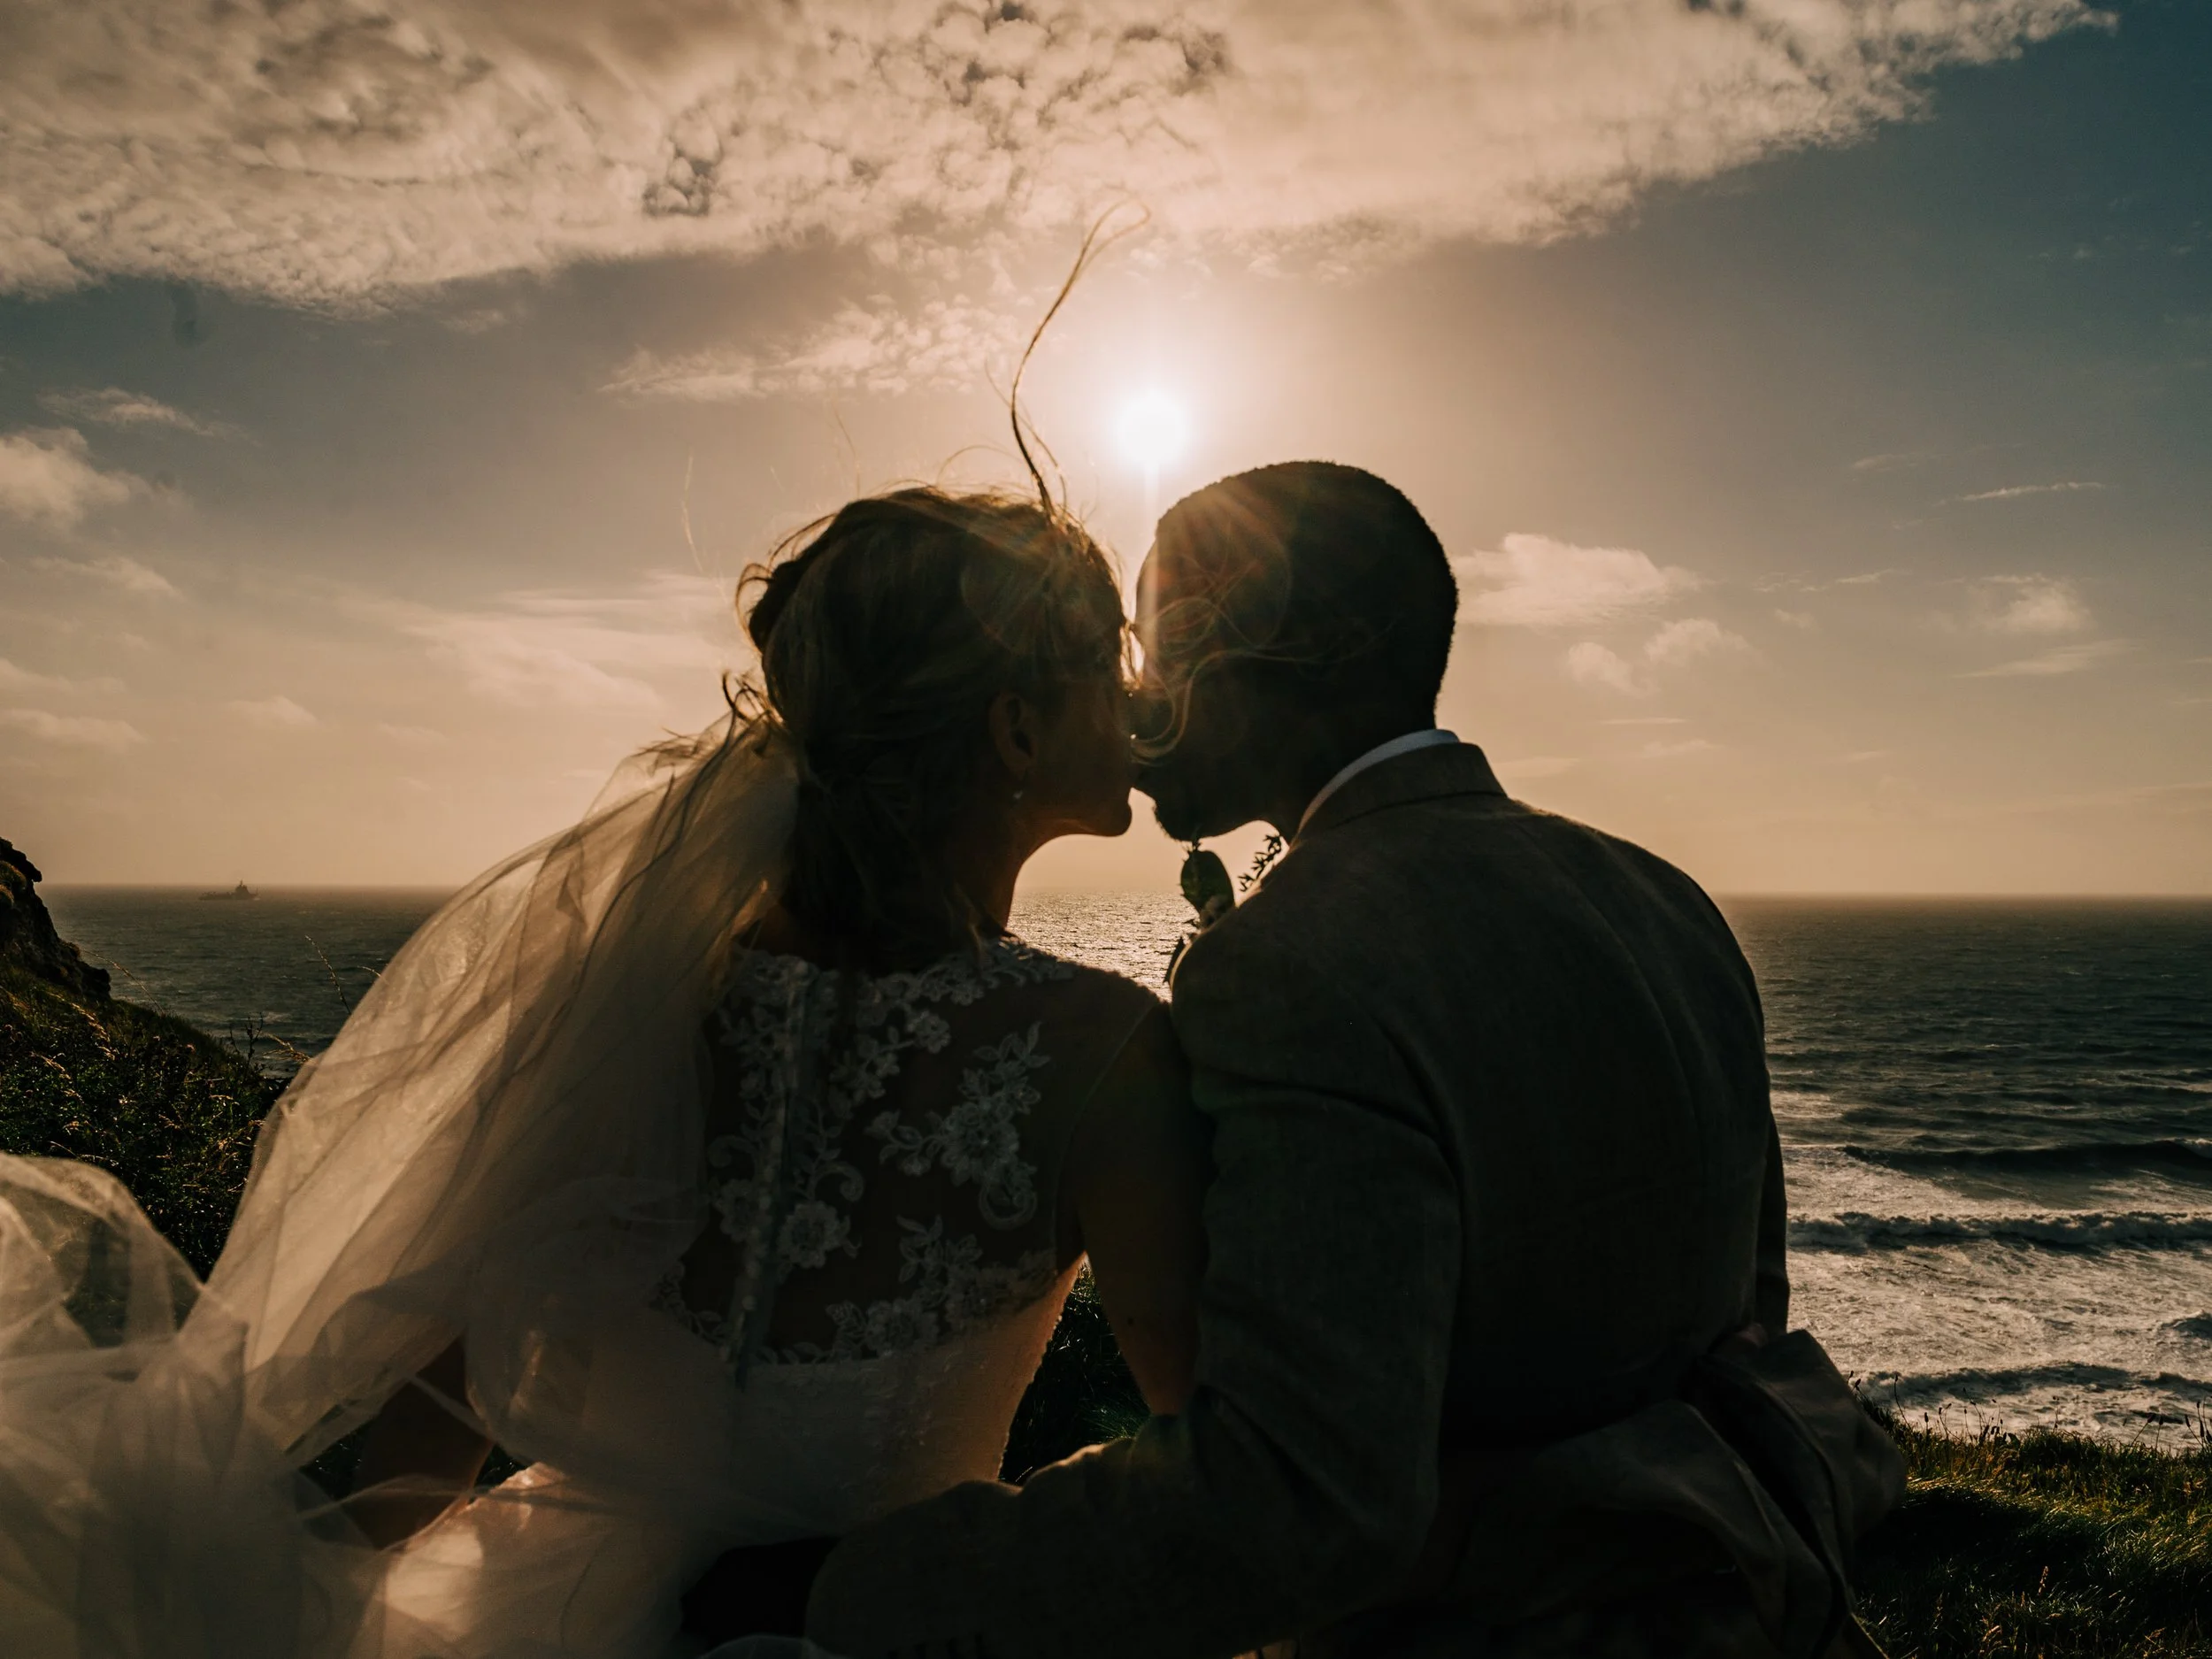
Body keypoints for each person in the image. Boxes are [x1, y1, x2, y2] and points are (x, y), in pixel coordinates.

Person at [0, 487, 1210, 1657]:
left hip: (549, 1609)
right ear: (1016, 729)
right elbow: (1217, 1459)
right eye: (1109, 661)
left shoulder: (650, 999)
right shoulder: (1098, 1055)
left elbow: (454, 1386)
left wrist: (309, 1606)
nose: (1139, 694)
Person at [800, 462, 1902, 1659]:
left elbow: (1306, 1500)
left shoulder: (1294, 963)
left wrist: (864, 1594)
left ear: (1282, 644)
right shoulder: (1668, 903)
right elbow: (1738, 1346)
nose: (1139, 695)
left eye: (1162, 642)